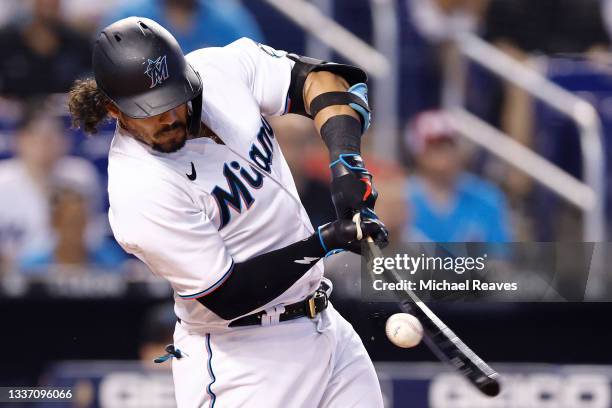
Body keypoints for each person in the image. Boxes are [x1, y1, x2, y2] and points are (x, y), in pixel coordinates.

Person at [68, 17, 387, 407]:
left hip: (327, 325)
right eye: (149, 111)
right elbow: (226, 294)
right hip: (244, 359)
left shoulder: (221, 68)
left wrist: (346, 160)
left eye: (173, 99)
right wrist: (325, 242)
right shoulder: (138, 189)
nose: (168, 117)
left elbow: (320, 80)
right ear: (113, 110)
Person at [0, 107, 101, 274]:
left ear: (65, 141)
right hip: (10, 279)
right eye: (36, 137)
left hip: (70, 272)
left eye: (51, 137)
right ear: (19, 139)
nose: (44, 145)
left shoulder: (80, 174)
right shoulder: (2, 180)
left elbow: (91, 234)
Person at [404, 110, 512, 242]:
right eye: (435, 146)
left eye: (449, 144)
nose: (444, 154)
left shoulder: (487, 198)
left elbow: (501, 255)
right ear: (418, 152)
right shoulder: (401, 200)